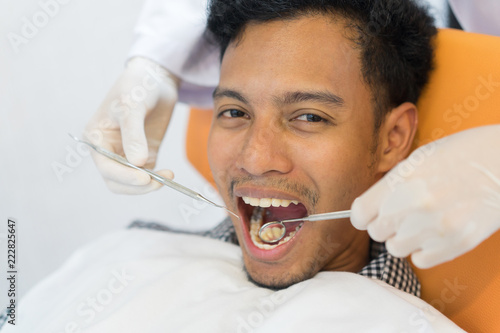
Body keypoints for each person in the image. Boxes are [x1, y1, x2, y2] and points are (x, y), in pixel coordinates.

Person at [85, 0, 500, 271]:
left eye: (309, 117)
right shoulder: (124, 261)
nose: (255, 157)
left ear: (391, 139)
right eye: (233, 111)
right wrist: (154, 60)